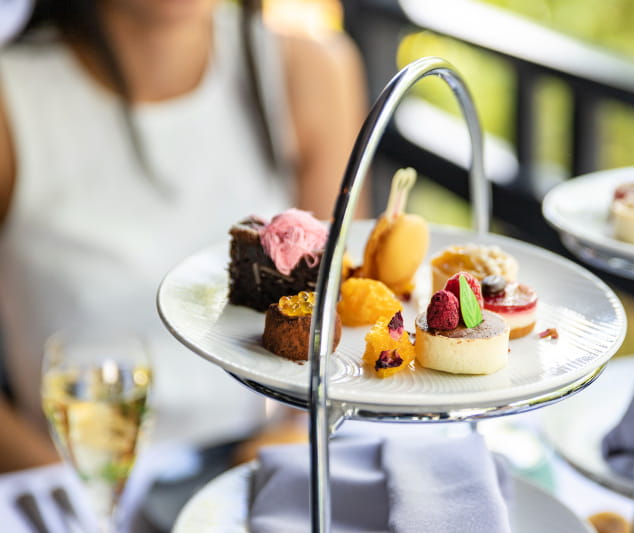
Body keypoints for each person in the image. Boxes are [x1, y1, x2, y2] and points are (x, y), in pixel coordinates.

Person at [0, 0, 368, 471]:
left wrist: (288, 445)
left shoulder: (310, 71)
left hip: (265, 469)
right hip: (72, 482)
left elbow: (343, 314)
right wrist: (79, 501)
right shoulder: (15, 98)